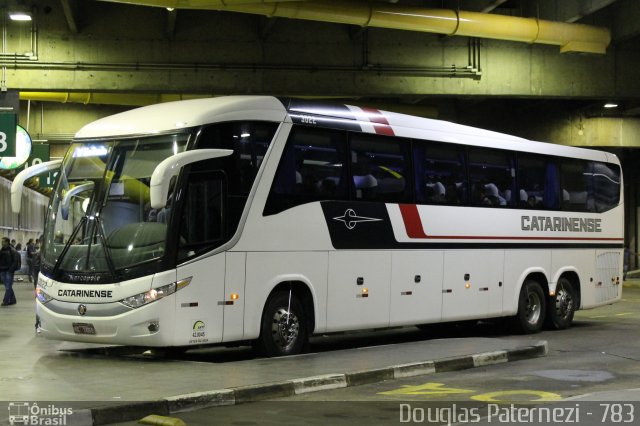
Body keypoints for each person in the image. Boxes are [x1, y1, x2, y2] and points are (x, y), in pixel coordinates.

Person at [0, 237, 20, 306]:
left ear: (7, 242)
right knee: (8, 287)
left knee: (8, 287)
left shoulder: (12, 250)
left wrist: (10, 270)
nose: (1, 242)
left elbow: (15, 261)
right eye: (1, 241)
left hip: (9, 271)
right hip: (2, 271)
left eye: (3, 241)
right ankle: (13, 300)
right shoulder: (2, 250)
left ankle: (5, 301)